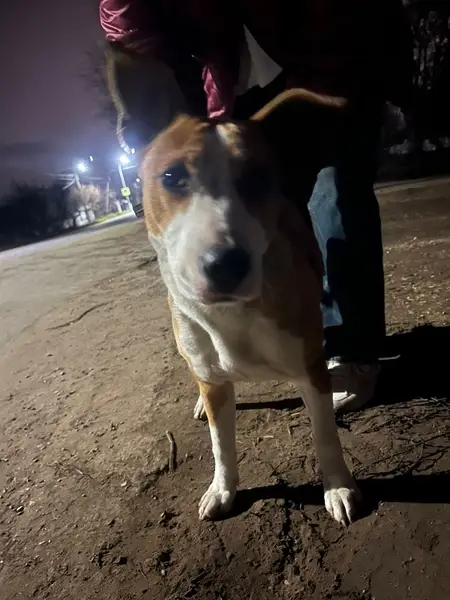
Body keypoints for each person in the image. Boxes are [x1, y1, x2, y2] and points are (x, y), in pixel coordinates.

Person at [99, 0, 413, 412]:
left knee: (336, 190)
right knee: (251, 214)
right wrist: (154, 121)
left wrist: (318, 99)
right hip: (233, 77)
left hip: (337, 57)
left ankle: (351, 349)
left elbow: (334, 22)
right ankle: (232, 360)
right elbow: (130, 25)